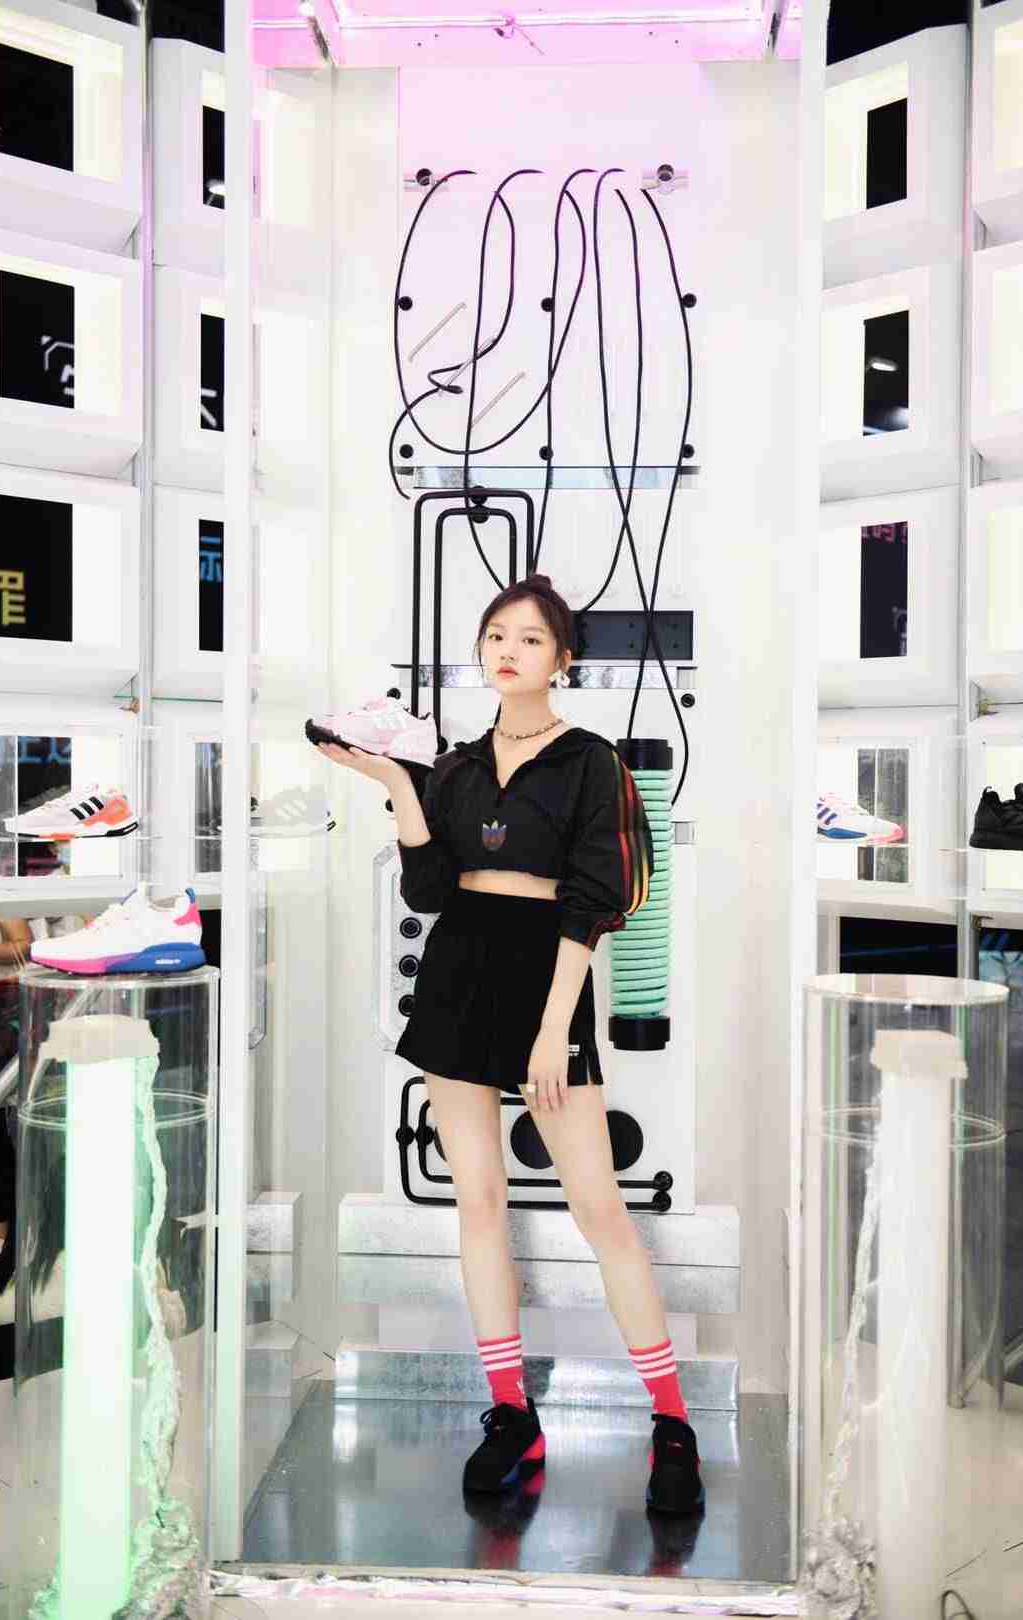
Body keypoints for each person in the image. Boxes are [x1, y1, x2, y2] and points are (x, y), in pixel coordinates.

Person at [318, 572, 704, 1516]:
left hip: (548, 975)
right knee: (479, 1204)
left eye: (530, 639)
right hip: (458, 974)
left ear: (562, 660)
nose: (508, 651)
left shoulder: (590, 762)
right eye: (496, 635)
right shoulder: (454, 767)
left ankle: (671, 1422)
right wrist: (396, 784)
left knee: (599, 1208)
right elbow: (427, 890)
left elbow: (597, 900)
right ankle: (511, 1415)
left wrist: (553, 1028)